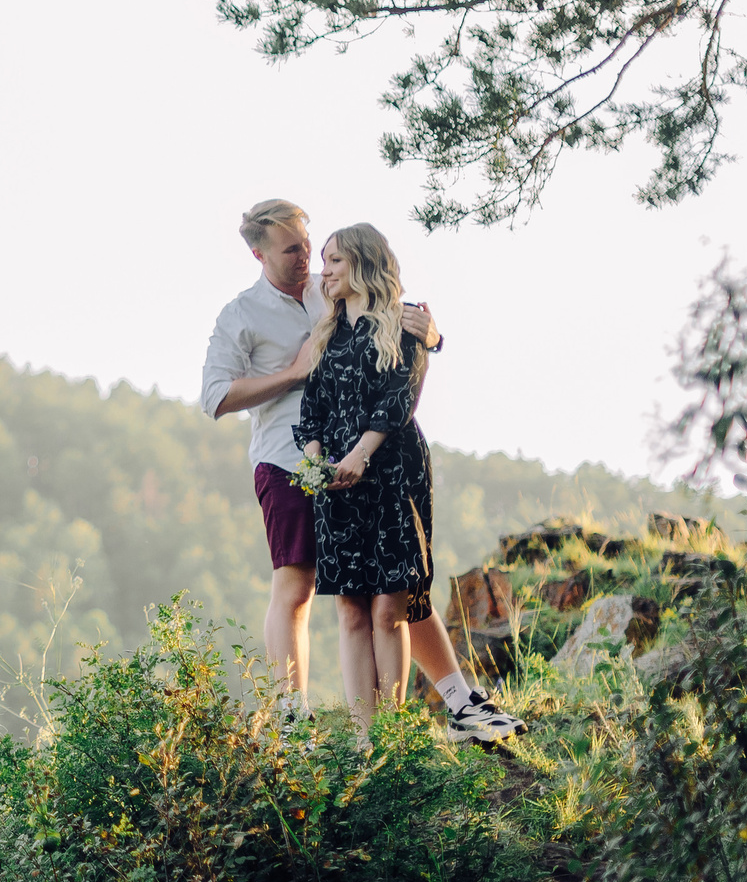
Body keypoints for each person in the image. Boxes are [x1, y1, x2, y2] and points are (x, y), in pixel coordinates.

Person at [199, 200, 522, 743]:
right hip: (289, 463)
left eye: (310, 246)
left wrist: (432, 335)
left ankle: (457, 702)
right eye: (292, 250)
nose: (307, 259)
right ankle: (293, 717)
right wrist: (293, 373)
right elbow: (214, 397)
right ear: (259, 254)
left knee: (394, 589)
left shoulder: (329, 289)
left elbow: (400, 345)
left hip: (375, 465)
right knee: (301, 586)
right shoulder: (242, 315)